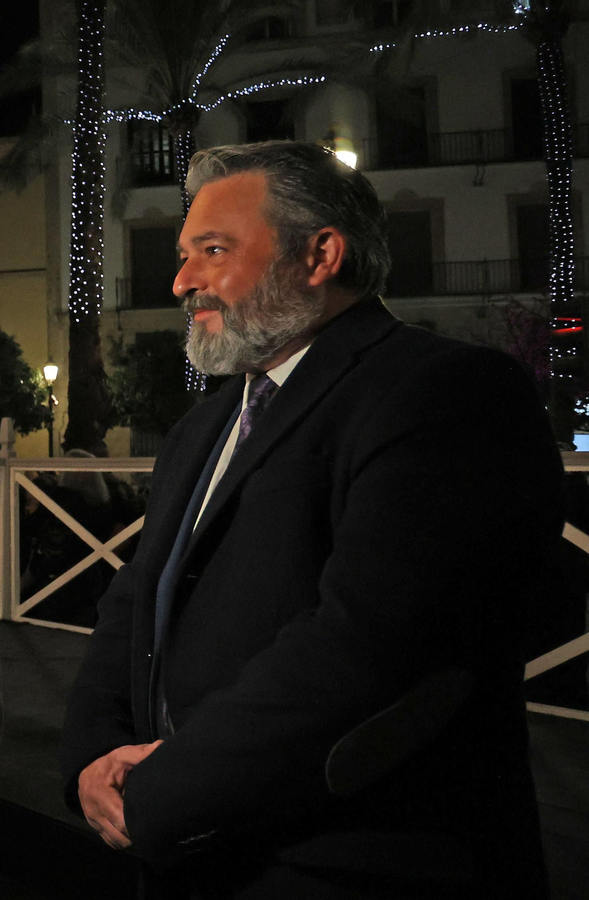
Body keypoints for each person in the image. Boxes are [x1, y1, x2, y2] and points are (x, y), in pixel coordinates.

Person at [58, 141, 563, 898]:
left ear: (320, 254)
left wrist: (159, 794)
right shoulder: (206, 425)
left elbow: (367, 647)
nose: (181, 279)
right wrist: (92, 760)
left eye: (213, 250)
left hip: (353, 866)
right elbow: (135, 600)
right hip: (190, 861)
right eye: (183, 254)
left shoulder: (447, 393)